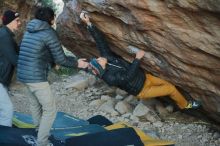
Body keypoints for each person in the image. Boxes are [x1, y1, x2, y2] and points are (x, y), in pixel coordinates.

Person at [80, 12, 200, 110]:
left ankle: (179, 103)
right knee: (171, 89)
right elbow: (128, 77)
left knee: (170, 86)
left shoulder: (106, 58)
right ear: (101, 67)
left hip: (145, 77)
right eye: (98, 60)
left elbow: (100, 42)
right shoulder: (110, 78)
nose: (99, 57)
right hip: (142, 90)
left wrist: (89, 23)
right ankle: (185, 105)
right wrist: (137, 59)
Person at [17, 7, 88, 146]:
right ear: (51, 18)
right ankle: (42, 142)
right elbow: (61, 59)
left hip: (23, 74)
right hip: (36, 77)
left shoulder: (29, 29)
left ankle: (39, 131)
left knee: (35, 104)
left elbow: (40, 51)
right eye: (54, 17)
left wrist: (51, 62)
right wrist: (77, 63)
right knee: (50, 110)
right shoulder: (49, 32)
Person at [0, 10, 21, 127]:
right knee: (7, 110)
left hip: (2, 80)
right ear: (10, 22)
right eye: (17, 21)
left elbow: (18, 52)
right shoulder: (4, 36)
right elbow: (15, 59)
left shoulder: (6, 35)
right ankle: (5, 138)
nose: (19, 23)